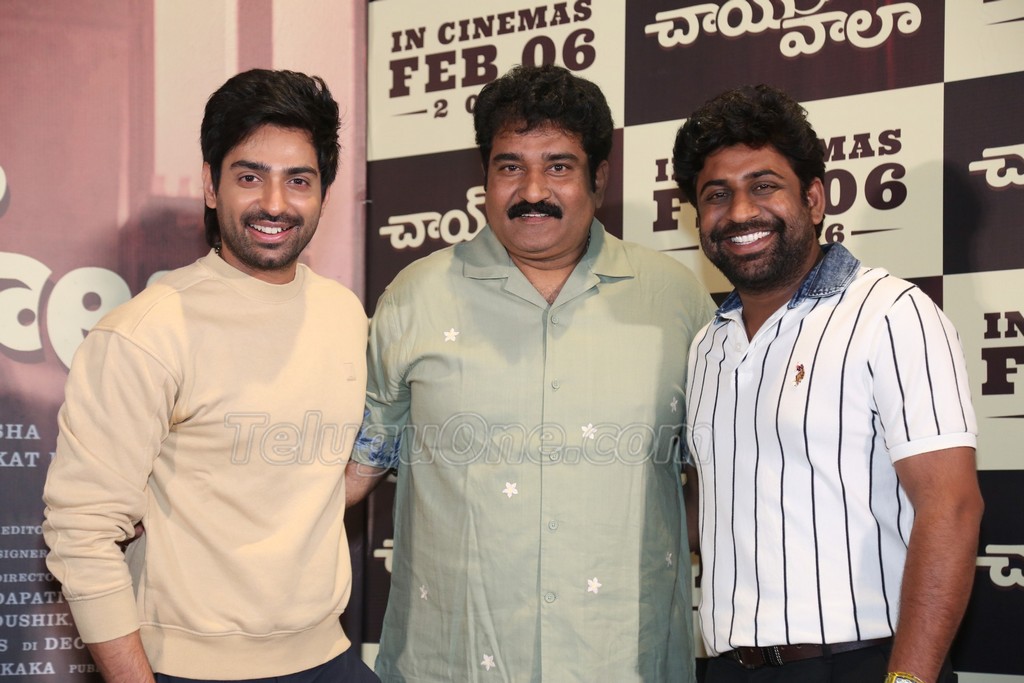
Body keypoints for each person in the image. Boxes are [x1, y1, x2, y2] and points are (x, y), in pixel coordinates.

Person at [345, 64, 716, 682]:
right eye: (510, 166)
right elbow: (359, 463)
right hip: (452, 663)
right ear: (484, 177)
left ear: (599, 178)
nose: (533, 189)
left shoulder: (675, 301)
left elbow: (723, 475)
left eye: (559, 166)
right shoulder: (416, 296)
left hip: (621, 660)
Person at [42, 69, 376, 682]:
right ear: (210, 185)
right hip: (188, 670)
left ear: (324, 192)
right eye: (250, 177)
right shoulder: (145, 333)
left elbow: (312, 483)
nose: (274, 203)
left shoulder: (344, 313)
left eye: (298, 180)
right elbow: (80, 534)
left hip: (328, 656)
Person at [672, 84, 984, 683]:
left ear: (813, 198)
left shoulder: (890, 312)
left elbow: (951, 507)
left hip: (864, 662)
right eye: (717, 194)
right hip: (733, 668)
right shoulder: (708, 344)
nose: (740, 212)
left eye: (764, 185)